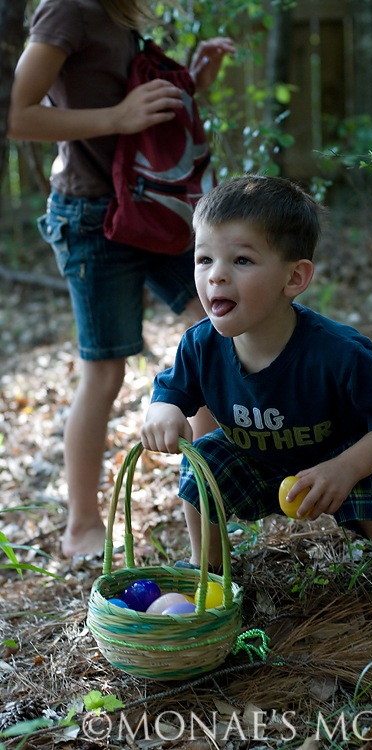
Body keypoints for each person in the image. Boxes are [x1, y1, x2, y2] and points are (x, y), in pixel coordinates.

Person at [141, 174, 372, 643]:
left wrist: (345, 467)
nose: (215, 275)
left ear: (295, 277)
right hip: (257, 456)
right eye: (204, 259)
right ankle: (210, 570)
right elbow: (171, 393)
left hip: (337, 454)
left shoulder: (336, 352)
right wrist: (161, 411)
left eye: (241, 259)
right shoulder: (200, 344)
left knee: (370, 493)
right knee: (204, 463)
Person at [7, 0, 235, 558]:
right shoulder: (68, 10)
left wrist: (190, 86)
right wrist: (117, 117)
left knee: (215, 336)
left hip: (156, 204)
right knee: (104, 371)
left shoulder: (123, 12)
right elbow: (15, 114)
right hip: (92, 218)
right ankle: (81, 526)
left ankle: (212, 506)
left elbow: (130, 109)